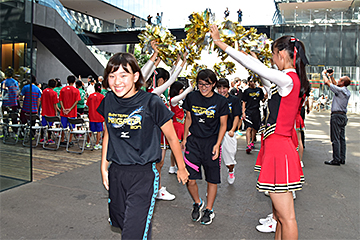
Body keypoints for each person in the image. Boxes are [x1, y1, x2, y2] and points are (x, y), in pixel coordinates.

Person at [211, 25, 309, 239]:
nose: (273, 60)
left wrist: (220, 43)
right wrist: (250, 54)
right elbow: (256, 67)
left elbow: (255, 67)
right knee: (281, 217)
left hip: (279, 148)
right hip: (278, 145)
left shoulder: (288, 79)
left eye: (274, 55)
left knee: (287, 217)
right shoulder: (288, 80)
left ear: (282, 54)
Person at [98, 52, 189, 239]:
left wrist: (181, 167)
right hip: (116, 173)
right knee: (128, 225)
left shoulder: (151, 102)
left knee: (132, 232)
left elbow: (172, 138)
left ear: (136, 76)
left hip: (143, 175)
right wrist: (103, 167)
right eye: (112, 75)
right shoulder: (108, 100)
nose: (117, 81)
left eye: (124, 75)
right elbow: (108, 132)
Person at [181, 69, 229, 225]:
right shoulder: (191, 97)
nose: (203, 87)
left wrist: (217, 143)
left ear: (213, 84)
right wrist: (184, 138)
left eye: (207, 84)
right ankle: (197, 202)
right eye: (200, 84)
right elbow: (188, 117)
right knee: (190, 179)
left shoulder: (220, 101)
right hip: (193, 141)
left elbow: (223, 124)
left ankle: (209, 209)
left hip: (211, 143)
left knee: (211, 179)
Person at [322, 70, 351, 166]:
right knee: (341, 137)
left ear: (342, 82)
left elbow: (328, 83)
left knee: (335, 138)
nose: (338, 81)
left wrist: (324, 74)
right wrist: (332, 77)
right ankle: (342, 158)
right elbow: (335, 85)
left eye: (340, 80)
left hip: (336, 116)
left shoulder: (340, 90)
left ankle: (336, 159)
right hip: (343, 116)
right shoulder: (346, 91)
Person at [217, 78, 241, 184]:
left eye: (224, 88)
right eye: (219, 88)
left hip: (228, 133)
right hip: (215, 132)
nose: (222, 90)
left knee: (230, 160)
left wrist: (232, 130)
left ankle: (231, 170)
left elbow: (237, 116)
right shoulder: (214, 99)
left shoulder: (234, 100)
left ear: (228, 88)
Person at [168, 78, 194, 174]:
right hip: (176, 126)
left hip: (183, 125)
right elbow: (184, 94)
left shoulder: (181, 99)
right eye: (181, 88)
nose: (182, 90)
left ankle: (179, 166)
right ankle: (173, 165)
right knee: (176, 148)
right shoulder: (173, 100)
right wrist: (191, 87)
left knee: (182, 147)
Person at [242, 78, 265, 153]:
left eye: (254, 81)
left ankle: (252, 141)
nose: (252, 83)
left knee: (255, 128)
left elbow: (263, 99)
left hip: (256, 111)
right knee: (249, 127)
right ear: (248, 82)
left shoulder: (259, 90)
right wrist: (243, 112)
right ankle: (248, 144)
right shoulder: (246, 91)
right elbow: (244, 102)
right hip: (249, 111)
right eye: (251, 81)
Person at [59, 75, 81, 145]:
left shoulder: (63, 89)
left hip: (63, 112)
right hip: (72, 112)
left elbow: (60, 100)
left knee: (63, 127)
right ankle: (69, 140)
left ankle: (62, 139)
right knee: (71, 127)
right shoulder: (76, 90)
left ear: (67, 81)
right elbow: (77, 101)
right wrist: (70, 109)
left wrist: (64, 108)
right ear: (74, 82)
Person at [40, 79, 59, 143]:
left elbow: (41, 100)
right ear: (55, 86)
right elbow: (55, 104)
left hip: (44, 111)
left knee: (43, 125)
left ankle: (42, 138)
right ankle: (49, 138)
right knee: (49, 126)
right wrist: (56, 111)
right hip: (51, 113)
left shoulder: (44, 91)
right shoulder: (54, 93)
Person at [86, 82, 104, 150]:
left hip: (92, 116)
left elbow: (87, 105)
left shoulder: (90, 96)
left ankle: (88, 143)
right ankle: (97, 144)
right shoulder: (102, 96)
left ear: (94, 88)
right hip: (99, 116)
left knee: (91, 130)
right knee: (99, 131)